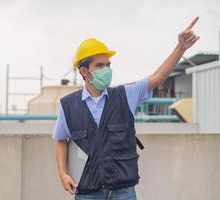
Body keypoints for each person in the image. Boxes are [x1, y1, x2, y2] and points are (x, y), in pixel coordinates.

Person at [53, 17, 200, 200]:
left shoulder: (126, 95)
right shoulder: (68, 105)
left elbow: (158, 77)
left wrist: (181, 48)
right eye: (100, 65)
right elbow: (60, 140)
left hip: (123, 191)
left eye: (108, 65)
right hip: (87, 192)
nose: (106, 69)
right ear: (84, 71)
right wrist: (63, 173)